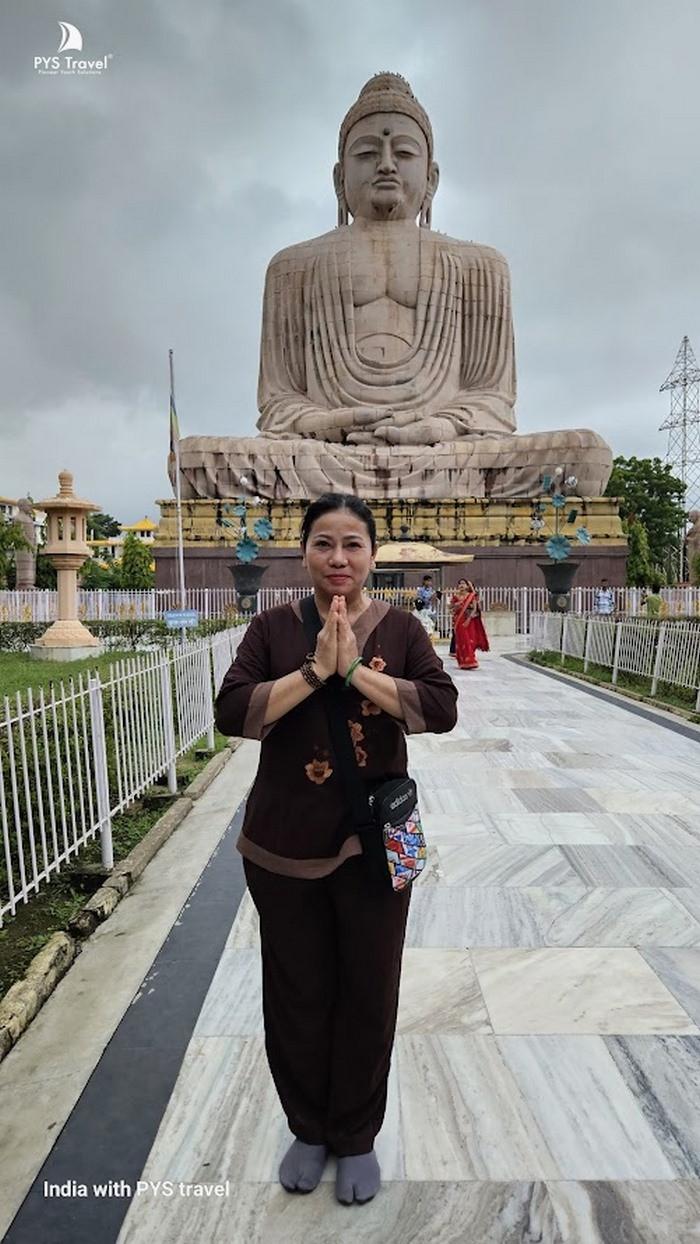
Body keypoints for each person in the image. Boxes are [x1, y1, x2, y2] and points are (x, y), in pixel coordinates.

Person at [214, 492, 458, 1207]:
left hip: (380, 844)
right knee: (297, 990)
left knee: (369, 989)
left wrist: (356, 671)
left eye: (353, 544)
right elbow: (233, 712)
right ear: (304, 554)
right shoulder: (271, 629)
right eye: (325, 543)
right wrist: (314, 672)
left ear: (373, 554)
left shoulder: (404, 628)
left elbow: (440, 709)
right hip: (283, 846)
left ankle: (354, 1134)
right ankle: (309, 1126)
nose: (340, 558)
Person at [451, 579, 490, 670]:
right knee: (461, 641)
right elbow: (451, 608)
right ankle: (462, 661)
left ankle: (470, 660)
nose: (461, 585)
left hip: (469, 621)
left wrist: (468, 619)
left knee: (469, 640)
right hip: (458, 621)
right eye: (460, 583)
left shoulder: (471, 596)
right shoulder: (455, 596)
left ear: (467, 586)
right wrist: (457, 605)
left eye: (464, 584)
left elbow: (475, 609)